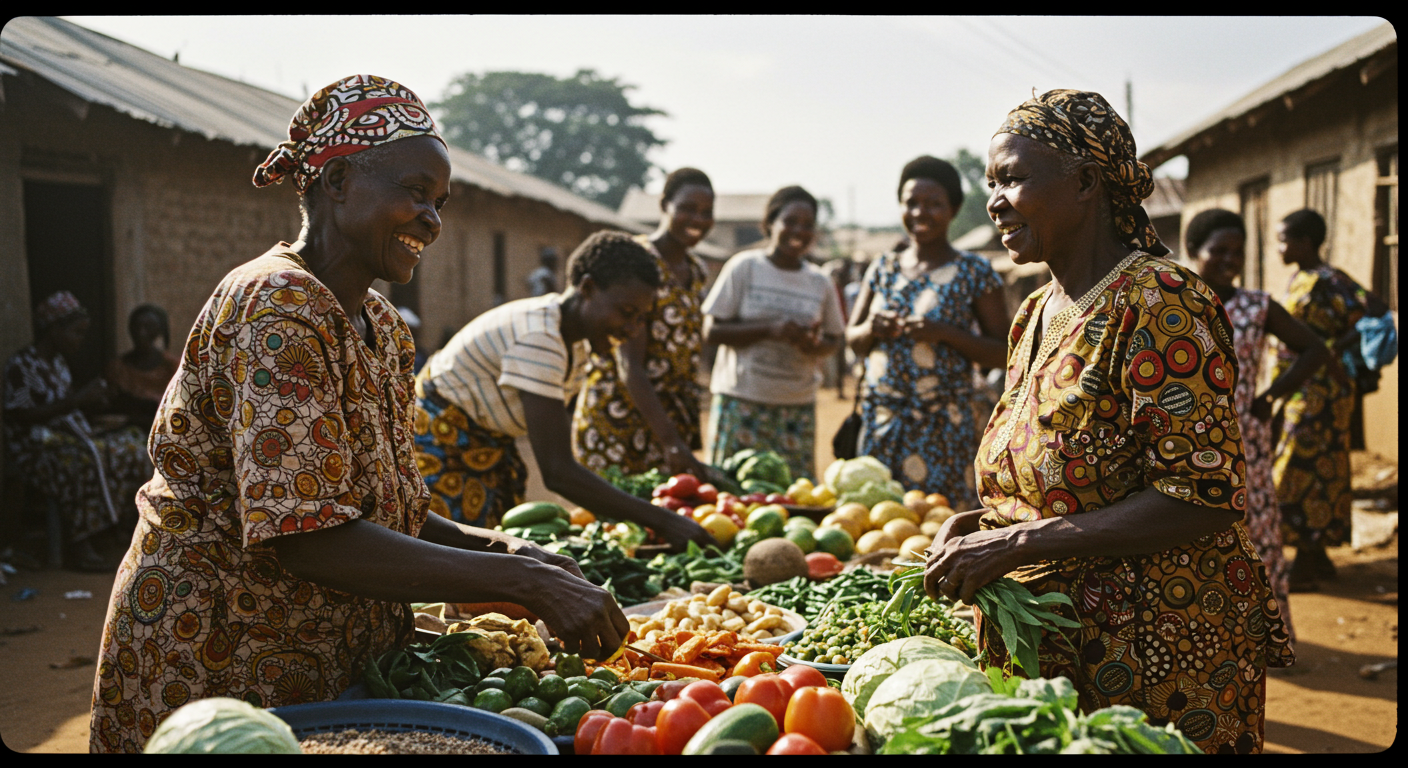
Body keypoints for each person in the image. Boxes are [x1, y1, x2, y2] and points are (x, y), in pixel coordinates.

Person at [90, 75, 627, 753]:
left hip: (327, 659)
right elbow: (309, 535)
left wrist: (509, 550)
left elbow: (380, 508)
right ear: (339, 180)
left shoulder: (382, 324)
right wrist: (520, 581)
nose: (432, 220)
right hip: (222, 654)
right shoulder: (276, 307)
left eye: (440, 202)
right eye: (416, 192)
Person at [925, 90, 1292, 754]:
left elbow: (1203, 495)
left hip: (1157, 651)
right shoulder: (1034, 313)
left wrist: (1016, 544)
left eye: (1012, 178)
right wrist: (984, 523)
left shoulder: (1161, 303)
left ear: (1087, 182)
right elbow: (1063, 479)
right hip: (1056, 645)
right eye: (990, 183)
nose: (995, 201)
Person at [415, 230, 714, 548]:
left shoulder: (575, 339)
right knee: (448, 554)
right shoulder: (539, 338)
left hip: (485, 445)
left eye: (641, 318)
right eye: (627, 313)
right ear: (588, 288)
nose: (632, 329)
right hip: (442, 445)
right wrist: (666, 521)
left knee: (485, 554)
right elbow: (558, 471)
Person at [1186, 208, 1329, 640]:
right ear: (1194, 251)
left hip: (1244, 440)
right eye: (1219, 250)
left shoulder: (1256, 306)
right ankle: (1202, 634)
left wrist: (1270, 396)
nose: (1230, 260)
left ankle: (1265, 636)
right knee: (1190, 533)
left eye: (1238, 252)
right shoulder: (1177, 301)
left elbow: (1315, 350)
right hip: (1183, 440)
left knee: (1256, 534)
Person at [846, 156, 1008, 504]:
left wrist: (945, 333)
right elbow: (853, 339)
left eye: (933, 203)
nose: (920, 213)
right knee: (877, 520)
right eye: (911, 203)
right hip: (883, 424)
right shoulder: (883, 268)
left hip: (945, 429)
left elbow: (1004, 352)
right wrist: (872, 328)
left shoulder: (975, 271)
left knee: (939, 519)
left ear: (954, 209)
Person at [1271, 208, 1390, 590]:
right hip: (1303, 388)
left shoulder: (1330, 280)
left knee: (1299, 470)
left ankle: (1305, 562)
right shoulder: (1301, 279)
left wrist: (1333, 348)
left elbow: (1377, 311)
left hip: (1322, 391)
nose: (1279, 248)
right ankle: (1319, 556)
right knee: (1320, 469)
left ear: (1305, 242)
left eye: (1284, 240)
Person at [572, 168, 714, 476]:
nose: (698, 219)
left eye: (706, 212)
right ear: (664, 205)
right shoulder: (638, 261)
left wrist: (675, 437)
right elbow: (630, 365)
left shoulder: (697, 270)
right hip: (621, 417)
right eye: (688, 208)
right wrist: (670, 441)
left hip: (668, 421)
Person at [702, 185, 846, 481]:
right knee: (732, 492)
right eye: (790, 221)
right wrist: (770, 329)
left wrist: (811, 344)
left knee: (793, 495)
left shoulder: (819, 282)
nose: (799, 231)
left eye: (807, 225)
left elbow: (834, 340)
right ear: (769, 224)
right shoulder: (745, 267)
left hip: (796, 408)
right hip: (741, 402)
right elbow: (712, 331)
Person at [3, 291, 149, 571]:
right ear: (54, 330)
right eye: (76, 332)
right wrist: (78, 400)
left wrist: (95, 403)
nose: (80, 340)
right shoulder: (21, 366)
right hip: (34, 448)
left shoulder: (58, 364)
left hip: (65, 438)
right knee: (81, 461)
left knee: (133, 447)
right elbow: (19, 415)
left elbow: (67, 405)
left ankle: (119, 529)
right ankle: (81, 545)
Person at [106, 304, 181, 430]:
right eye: (136, 327)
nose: (141, 333)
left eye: (149, 327)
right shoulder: (117, 368)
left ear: (159, 331)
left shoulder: (172, 367)